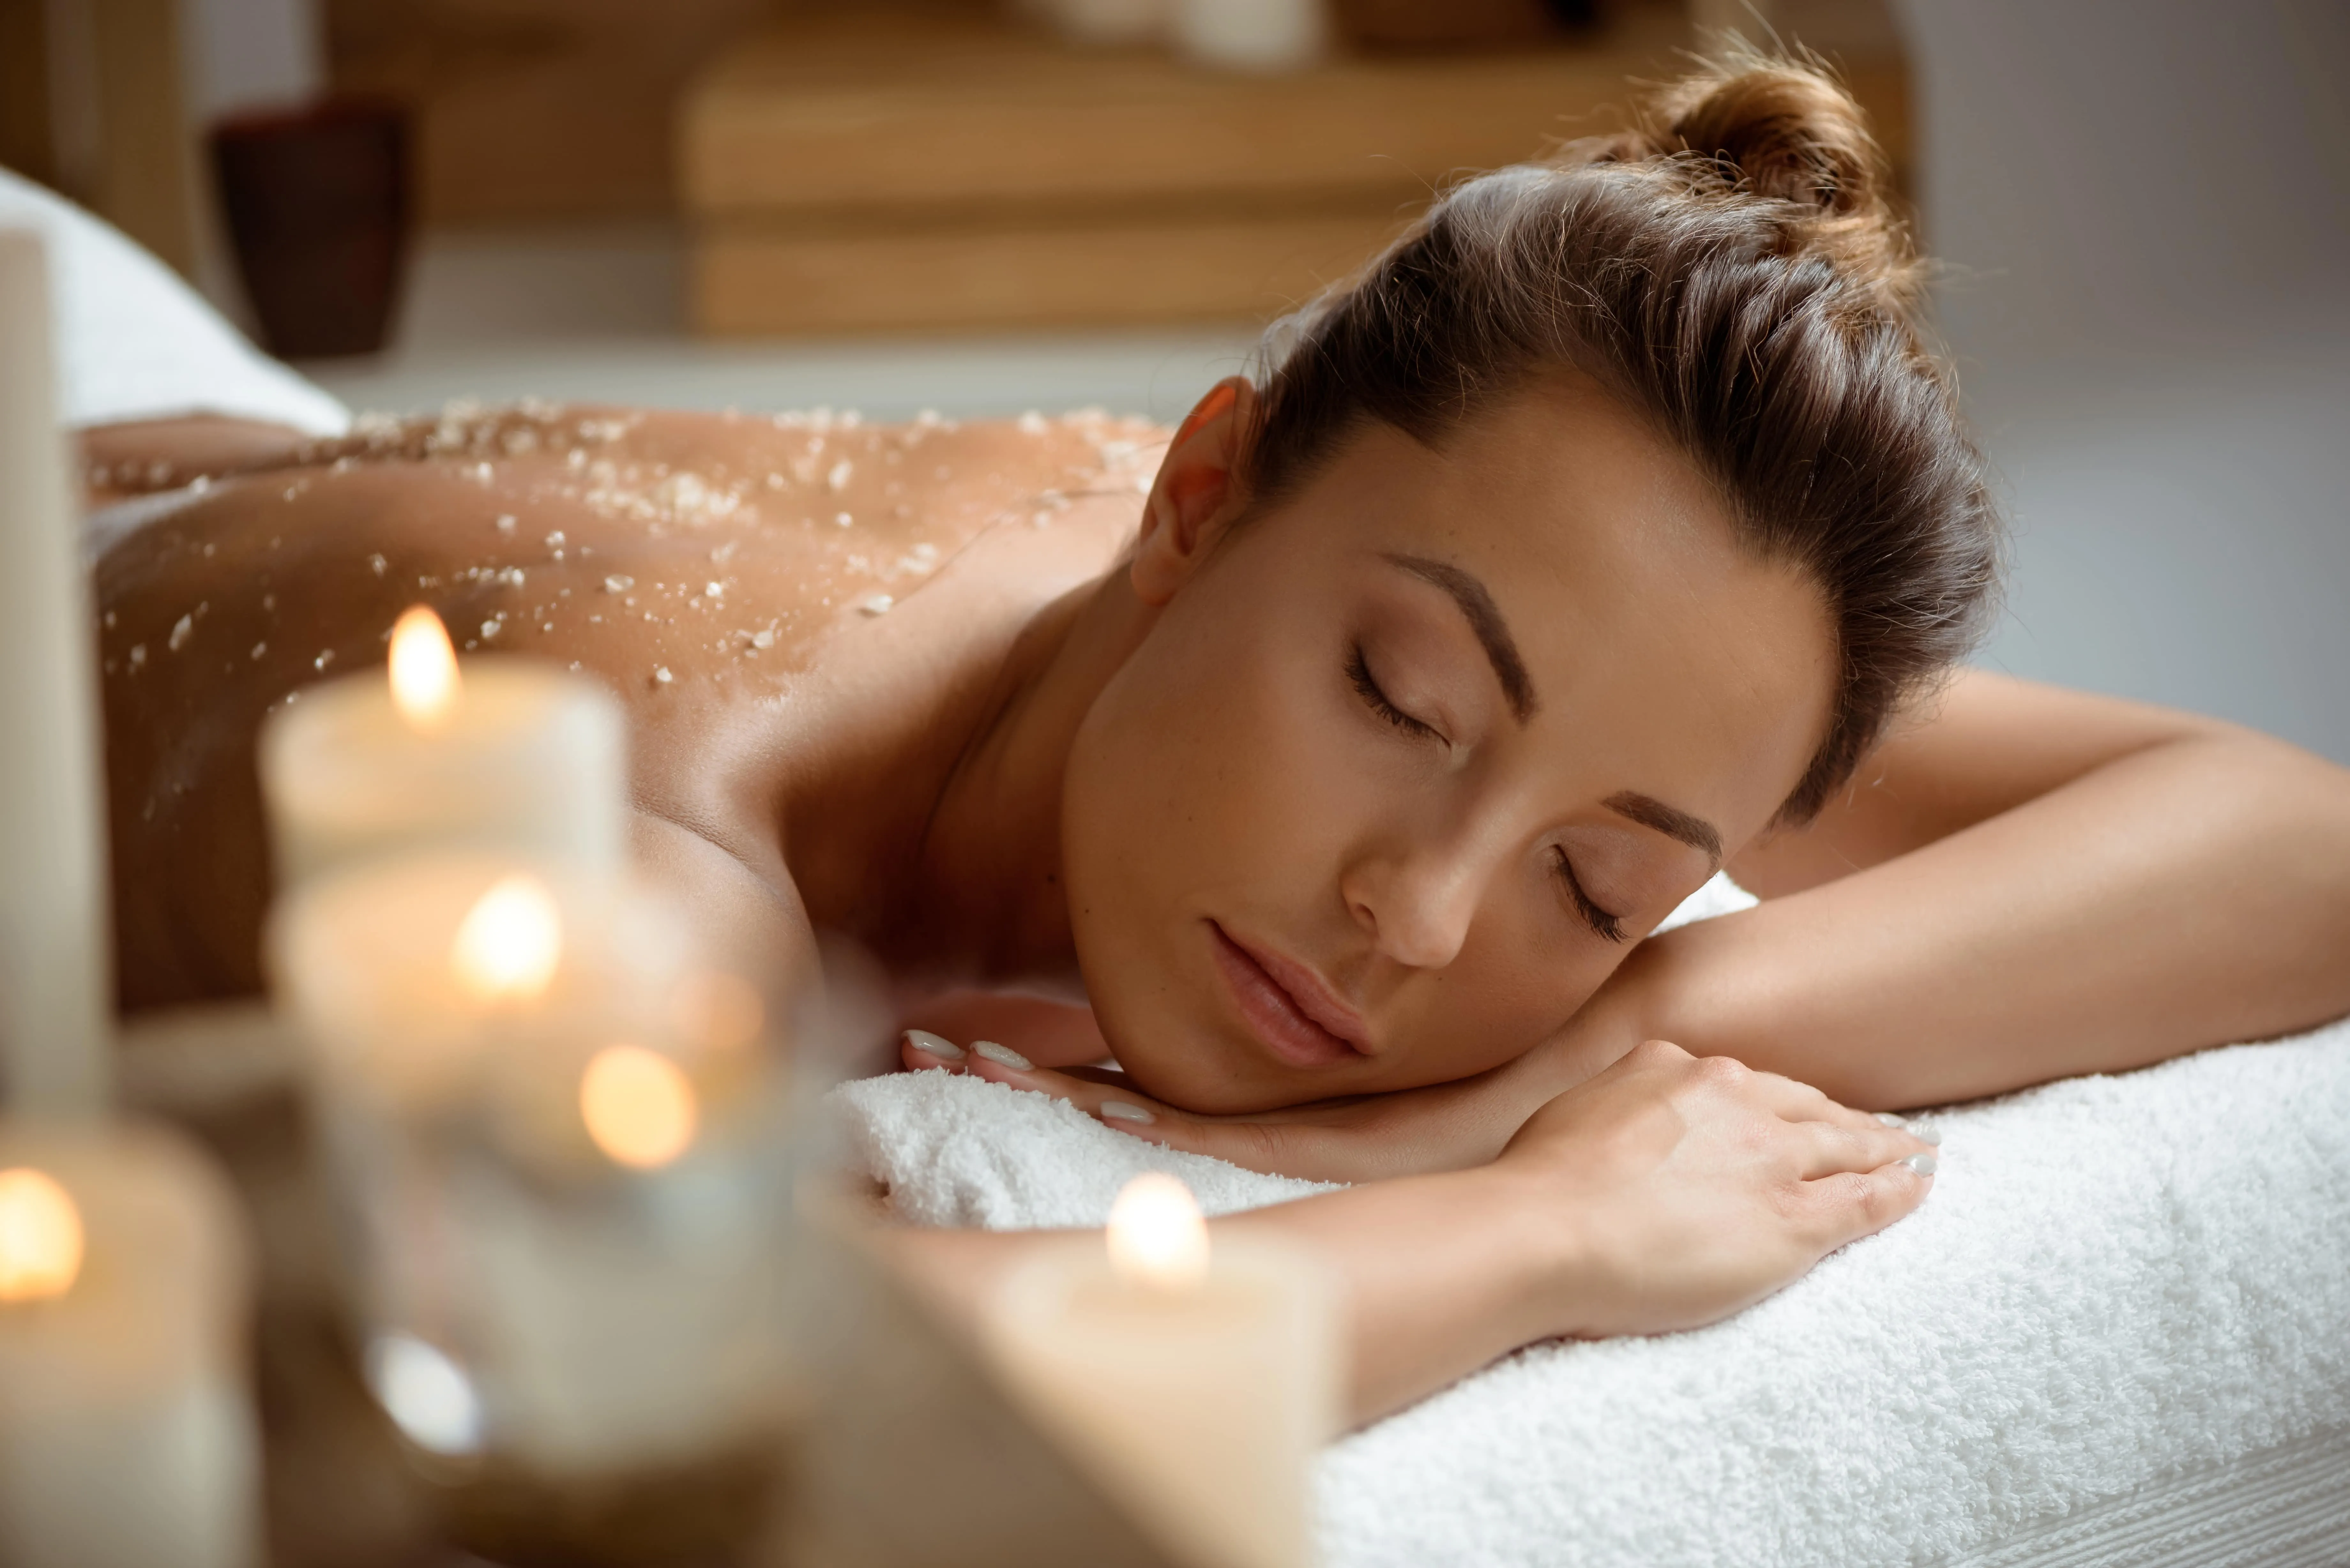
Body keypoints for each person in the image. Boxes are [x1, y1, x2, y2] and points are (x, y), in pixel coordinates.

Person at [83, 57, 2350, 1426]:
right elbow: (660, 1368)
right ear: (1195, 495)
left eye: (1597, 877)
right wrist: (1523, 1233)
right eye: (1401, 701)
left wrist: (1615, 1028)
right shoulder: (648, 842)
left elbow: (2293, 842)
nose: (1425, 911)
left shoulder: (1535, 591)